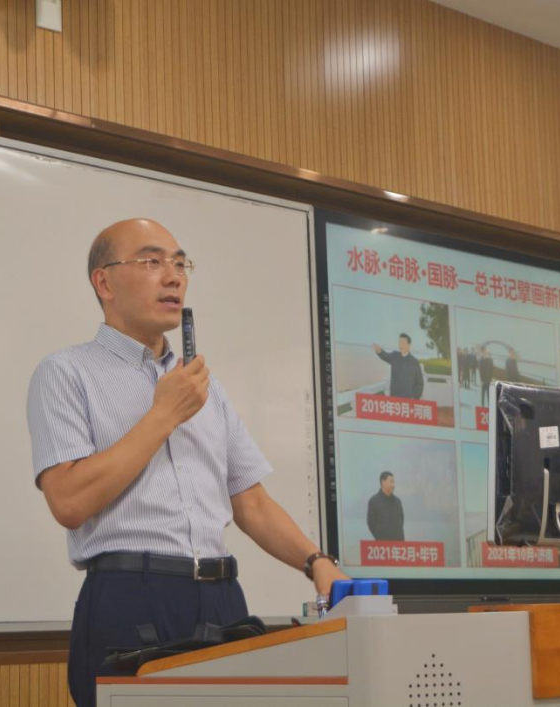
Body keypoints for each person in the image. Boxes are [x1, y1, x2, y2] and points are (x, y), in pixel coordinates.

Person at [26, 218, 348, 707]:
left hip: (222, 598)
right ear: (104, 282)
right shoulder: (66, 372)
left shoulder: (202, 386)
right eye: (152, 261)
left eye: (180, 263)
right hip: (130, 594)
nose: (174, 276)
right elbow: (69, 501)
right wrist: (163, 415)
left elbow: (250, 501)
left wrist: (317, 561)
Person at [372, 334, 424, 400]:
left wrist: (414, 398)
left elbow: (420, 384)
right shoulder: (395, 356)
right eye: (399, 342)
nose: (400, 345)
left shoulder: (414, 362)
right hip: (394, 397)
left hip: (408, 400)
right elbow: (385, 356)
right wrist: (379, 351)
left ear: (409, 345)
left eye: (403, 343)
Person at [367, 471, 405, 541]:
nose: (393, 485)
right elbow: (371, 524)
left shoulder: (397, 501)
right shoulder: (374, 501)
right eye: (391, 482)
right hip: (382, 544)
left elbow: (401, 521)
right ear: (383, 482)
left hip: (399, 543)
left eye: (394, 482)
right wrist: (380, 537)